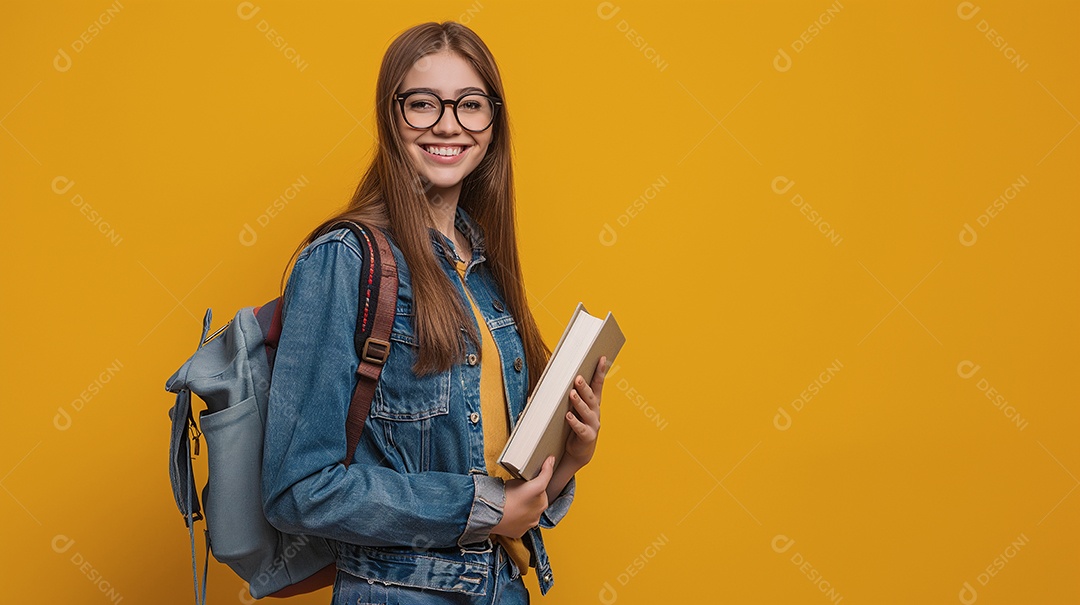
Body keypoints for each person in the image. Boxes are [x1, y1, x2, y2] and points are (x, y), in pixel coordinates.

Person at [261, 21, 610, 604]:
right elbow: (298, 489)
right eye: (423, 104)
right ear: (390, 117)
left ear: (493, 122)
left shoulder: (487, 265)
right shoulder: (344, 260)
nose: (448, 124)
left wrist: (568, 459)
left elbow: (506, 491)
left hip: (504, 589)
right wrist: (482, 505)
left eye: (470, 105)